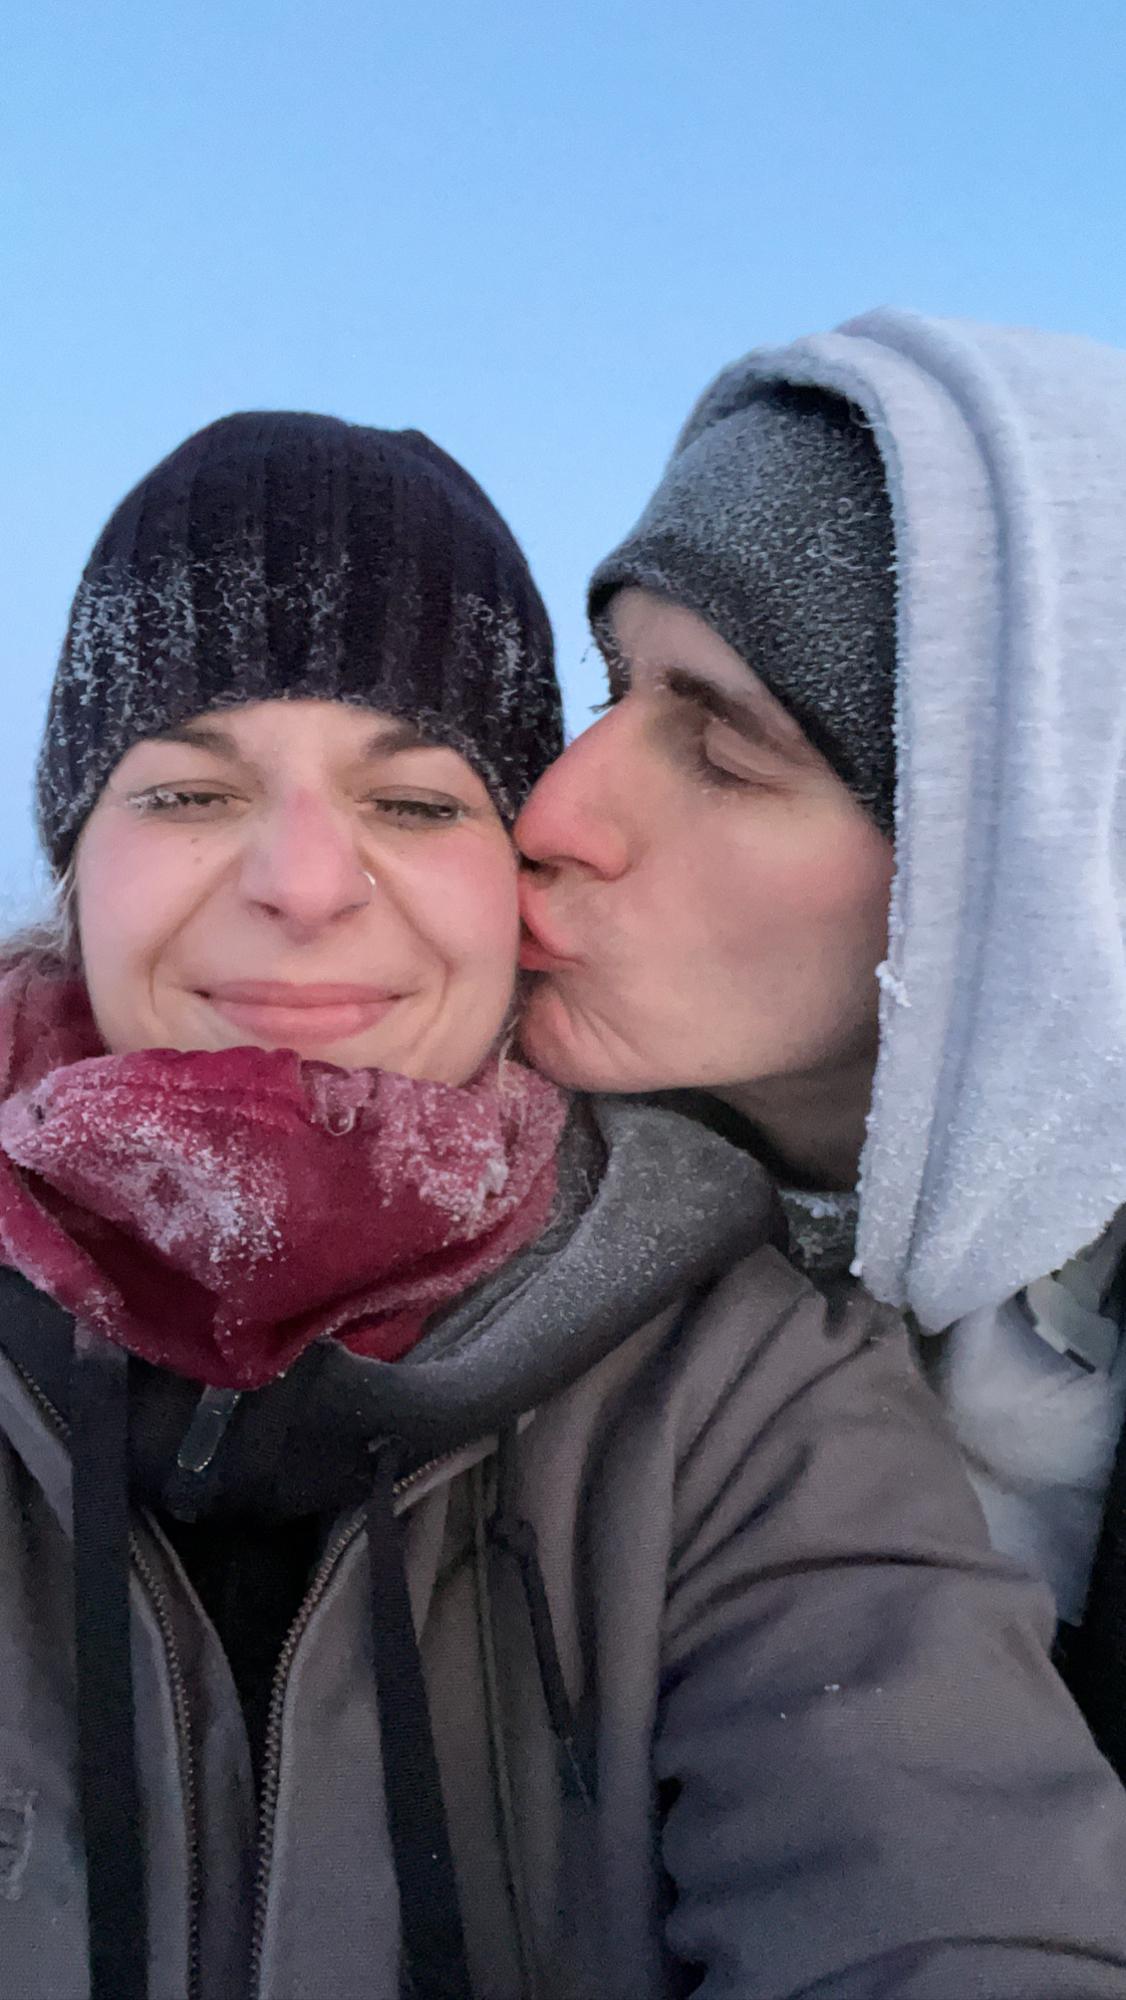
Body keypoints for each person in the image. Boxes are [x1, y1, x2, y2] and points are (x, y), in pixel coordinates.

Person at [6, 411, 1126, 2000]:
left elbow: (947, 1898)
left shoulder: (739, 1388)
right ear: (74, 864)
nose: (305, 883)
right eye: (184, 794)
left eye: (418, 801)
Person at [516, 307, 1126, 1781]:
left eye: (723, 749)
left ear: (1020, 885)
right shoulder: (455, 1270)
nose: (547, 814)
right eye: (611, 689)